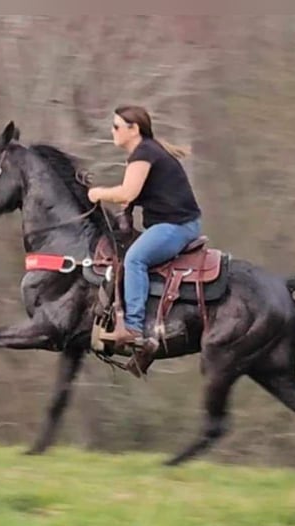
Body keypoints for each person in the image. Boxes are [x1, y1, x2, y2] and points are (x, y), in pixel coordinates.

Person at [87, 105, 203, 347]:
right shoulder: (146, 151)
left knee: (134, 259)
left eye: (117, 126)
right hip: (171, 224)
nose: (113, 130)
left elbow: (128, 192)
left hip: (176, 226)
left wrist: (97, 193)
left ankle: (133, 327)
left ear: (134, 129)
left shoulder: (144, 153)